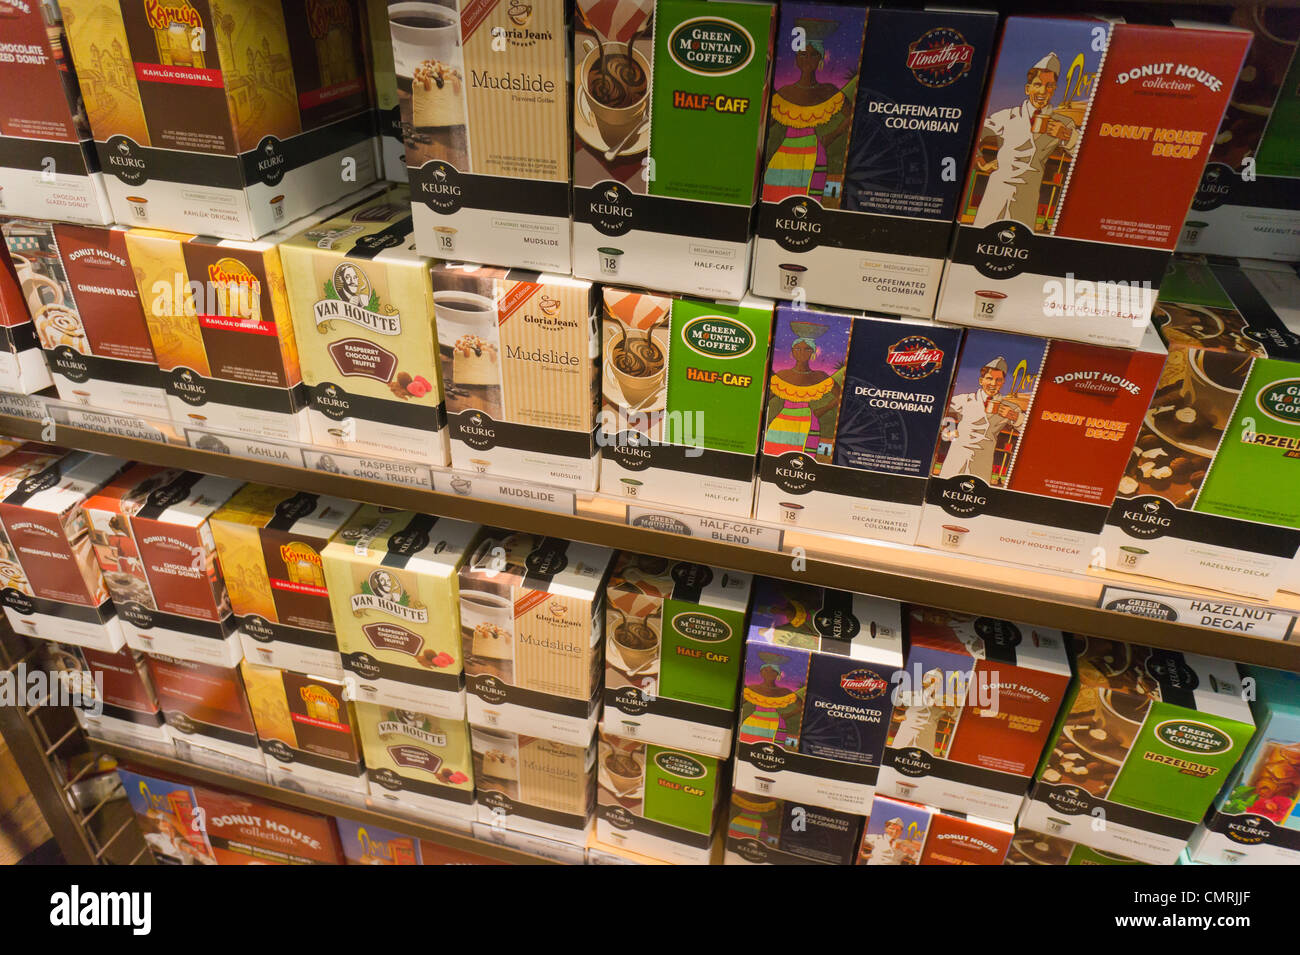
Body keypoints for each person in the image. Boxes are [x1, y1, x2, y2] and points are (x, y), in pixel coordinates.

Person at [971, 53, 1080, 231]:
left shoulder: (1064, 123)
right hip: (996, 193)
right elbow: (974, 134)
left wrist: (1067, 136)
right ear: (1027, 89)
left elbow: (1086, 156)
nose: (1043, 92)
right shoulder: (1006, 116)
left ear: (1054, 90)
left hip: (1027, 197)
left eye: (1049, 86)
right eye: (1038, 85)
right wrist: (981, 163)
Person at [762, 19, 853, 204]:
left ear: (820, 58)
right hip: (785, 155)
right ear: (797, 58)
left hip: (814, 154)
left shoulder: (829, 90)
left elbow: (852, 115)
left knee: (807, 201)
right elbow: (765, 123)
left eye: (812, 55)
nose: (807, 59)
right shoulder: (785, 92)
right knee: (774, 192)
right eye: (803, 54)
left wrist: (832, 136)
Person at [937, 356, 1023, 484]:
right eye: (989, 378)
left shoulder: (1011, 408)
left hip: (983, 461)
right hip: (956, 457)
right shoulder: (964, 400)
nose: (993, 384)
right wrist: (949, 430)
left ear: (1003, 382)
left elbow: (1030, 431)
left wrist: (1015, 417)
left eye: (998, 380)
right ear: (981, 380)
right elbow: (938, 410)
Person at [764, 334, 843, 458]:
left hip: (808, 423)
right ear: (792, 352)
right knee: (775, 455)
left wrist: (821, 410)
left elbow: (840, 396)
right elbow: (765, 398)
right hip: (781, 424)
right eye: (797, 349)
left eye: (807, 349)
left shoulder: (820, 376)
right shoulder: (783, 375)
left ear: (813, 352)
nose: (801, 352)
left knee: (803, 459)